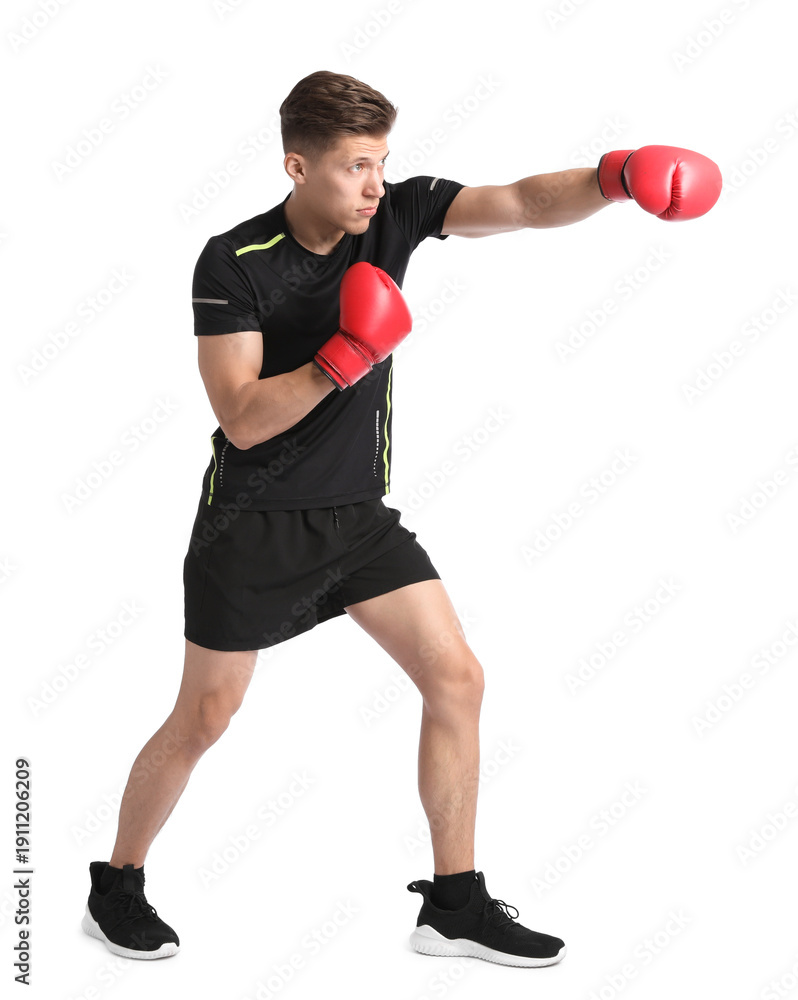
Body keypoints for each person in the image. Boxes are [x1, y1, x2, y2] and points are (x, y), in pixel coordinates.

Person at [81, 70, 722, 969]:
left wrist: (614, 177)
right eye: (356, 166)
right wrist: (343, 356)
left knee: (457, 678)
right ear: (298, 167)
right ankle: (116, 885)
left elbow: (523, 203)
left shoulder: (397, 215)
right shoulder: (234, 260)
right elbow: (241, 416)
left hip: (358, 520)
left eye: (381, 161)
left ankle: (454, 906)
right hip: (253, 526)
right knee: (204, 718)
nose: (375, 184)